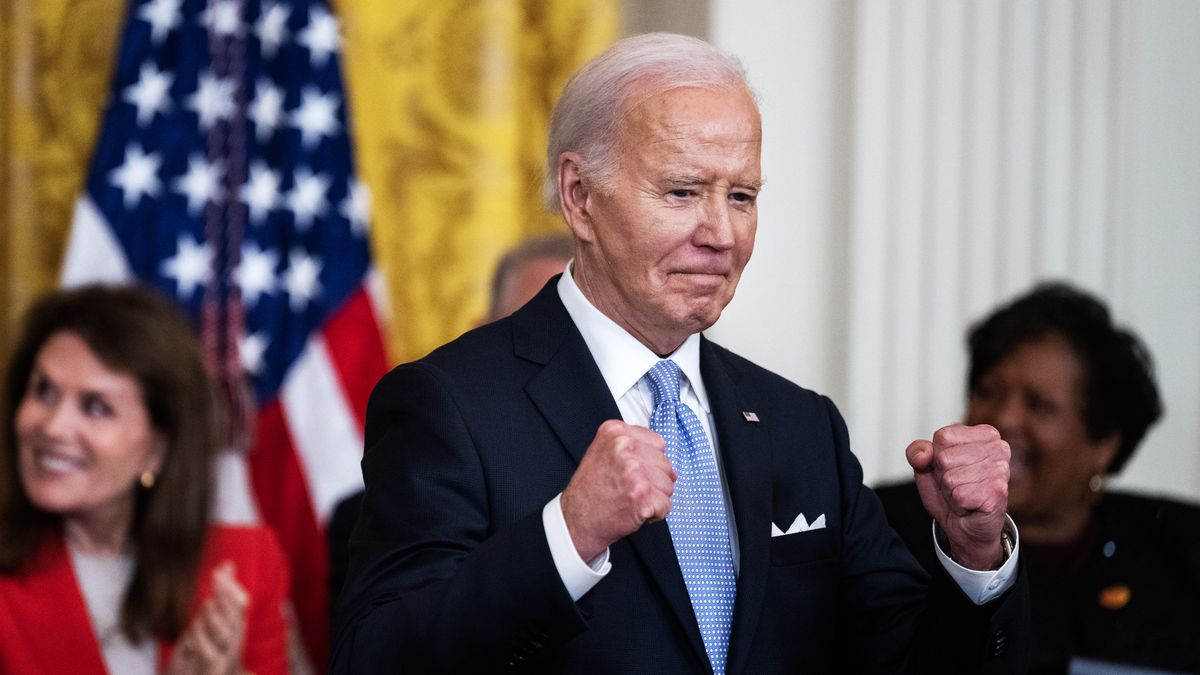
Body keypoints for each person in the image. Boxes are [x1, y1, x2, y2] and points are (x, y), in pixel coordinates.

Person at [332, 33, 1029, 674]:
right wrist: (567, 535)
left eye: (743, 195)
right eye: (682, 191)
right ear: (580, 198)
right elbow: (378, 656)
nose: (721, 233)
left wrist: (973, 556)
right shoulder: (449, 403)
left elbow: (903, 662)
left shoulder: (801, 426)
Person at [876, 282, 1200, 673]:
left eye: (1039, 405)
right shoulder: (888, 525)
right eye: (988, 391)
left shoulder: (1180, 548)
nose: (1005, 418)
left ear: (1104, 441)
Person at [0, 284, 290, 674]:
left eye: (96, 407)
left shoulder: (246, 567)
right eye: (44, 391)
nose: (53, 427)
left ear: (157, 448)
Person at [325, 231, 575, 616]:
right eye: (533, 339)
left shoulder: (670, 480)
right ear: (480, 337)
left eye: (578, 348)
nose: (552, 367)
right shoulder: (376, 517)